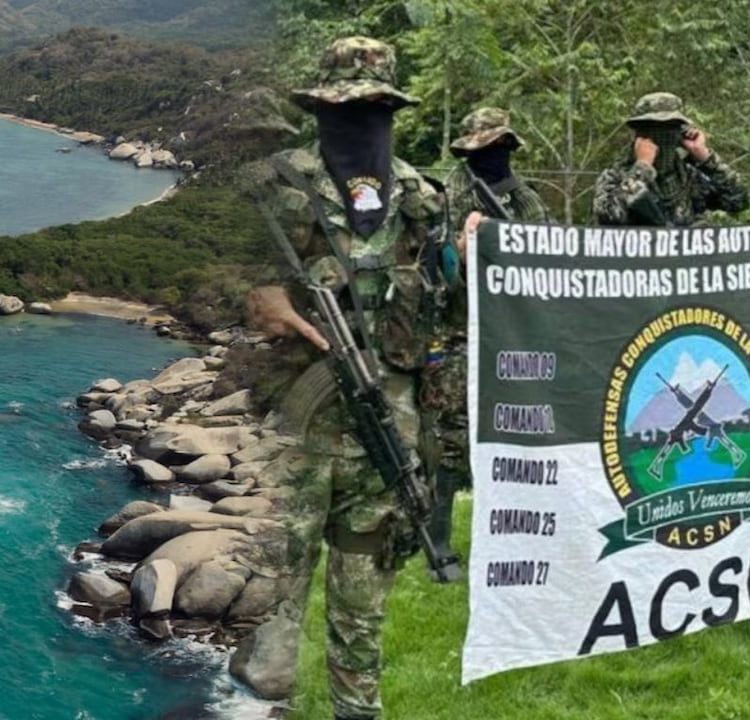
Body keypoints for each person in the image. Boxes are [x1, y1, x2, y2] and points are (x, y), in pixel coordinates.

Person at [239, 36, 446, 720]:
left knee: (362, 610)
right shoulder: (275, 186)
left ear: (392, 112)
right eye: (346, 109)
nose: (361, 123)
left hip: (385, 438)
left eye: (374, 110)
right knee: (271, 601)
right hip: (290, 439)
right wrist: (262, 299)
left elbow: (446, 315)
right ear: (322, 110)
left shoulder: (421, 199)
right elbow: (224, 277)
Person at [421, 107, 552, 560]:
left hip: (515, 334)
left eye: (502, 146)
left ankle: (520, 535)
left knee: (523, 433)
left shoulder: (525, 198)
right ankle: (438, 540)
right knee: (451, 437)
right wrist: (459, 250)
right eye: (488, 147)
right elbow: (432, 272)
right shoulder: (444, 198)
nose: (497, 154)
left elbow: (550, 255)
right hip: (458, 331)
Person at [593, 92, 749, 226]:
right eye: (652, 128)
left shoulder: (689, 178)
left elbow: (738, 201)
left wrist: (705, 157)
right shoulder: (615, 177)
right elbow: (609, 217)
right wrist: (642, 167)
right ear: (639, 135)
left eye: (671, 127)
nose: (662, 135)